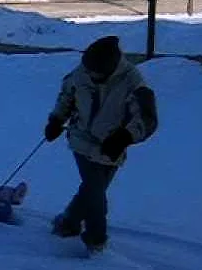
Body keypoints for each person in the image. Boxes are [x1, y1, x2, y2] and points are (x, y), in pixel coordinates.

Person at [44, 36, 158, 253]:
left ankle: (68, 222)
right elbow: (67, 94)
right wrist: (56, 120)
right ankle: (96, 240)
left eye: (95, 73)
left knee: (92, 189)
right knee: (96, 192)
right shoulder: (83, 72)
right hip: (81, 141)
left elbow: (146, 118)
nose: (90, 75)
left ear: (110, 68)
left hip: (110, 147)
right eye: (89, 71)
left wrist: (125, 137)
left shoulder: (133, 81)